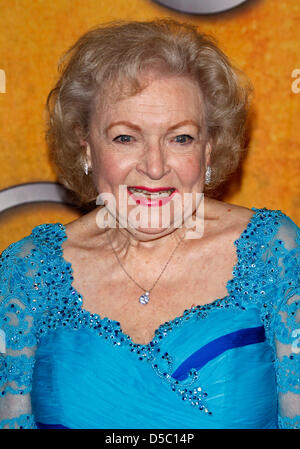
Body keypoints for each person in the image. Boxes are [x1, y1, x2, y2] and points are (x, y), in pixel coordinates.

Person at [0, 19, 299, 430]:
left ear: (209, 149)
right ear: (86, 145)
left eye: (181, 138)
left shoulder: (273, 253)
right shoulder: (26, 271)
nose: (155, 167)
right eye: (126, 138)